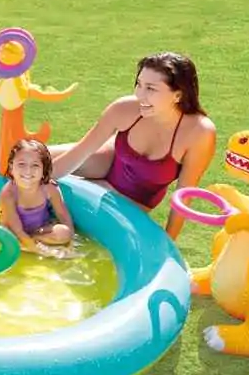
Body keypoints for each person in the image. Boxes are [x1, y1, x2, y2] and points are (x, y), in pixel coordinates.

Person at [50, 51, 216, 241]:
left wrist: (168, 241)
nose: (140, 95)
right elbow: (80, 151)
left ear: (178, 95)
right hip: (108, 162)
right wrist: (37, 180)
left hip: (131, 198)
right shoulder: (125, 109)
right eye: (139, 84)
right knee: (34, 160)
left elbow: (184, 195)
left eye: (151, 88)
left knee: (68, 218)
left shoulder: (199, 132)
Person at [0, 138, 74, 253]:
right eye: (21, 164)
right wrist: (39, 251)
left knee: (64, 232)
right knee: (7, 238)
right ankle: (29, 245)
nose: (28, 171)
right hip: (14, 232)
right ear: (11, 167)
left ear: (44, 169)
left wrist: (70, 241)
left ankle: (36, 239)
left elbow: (63, 215)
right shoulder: (8, 194)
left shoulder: (49, 188)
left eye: (35, 165)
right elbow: (17, 230)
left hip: (39, 230)